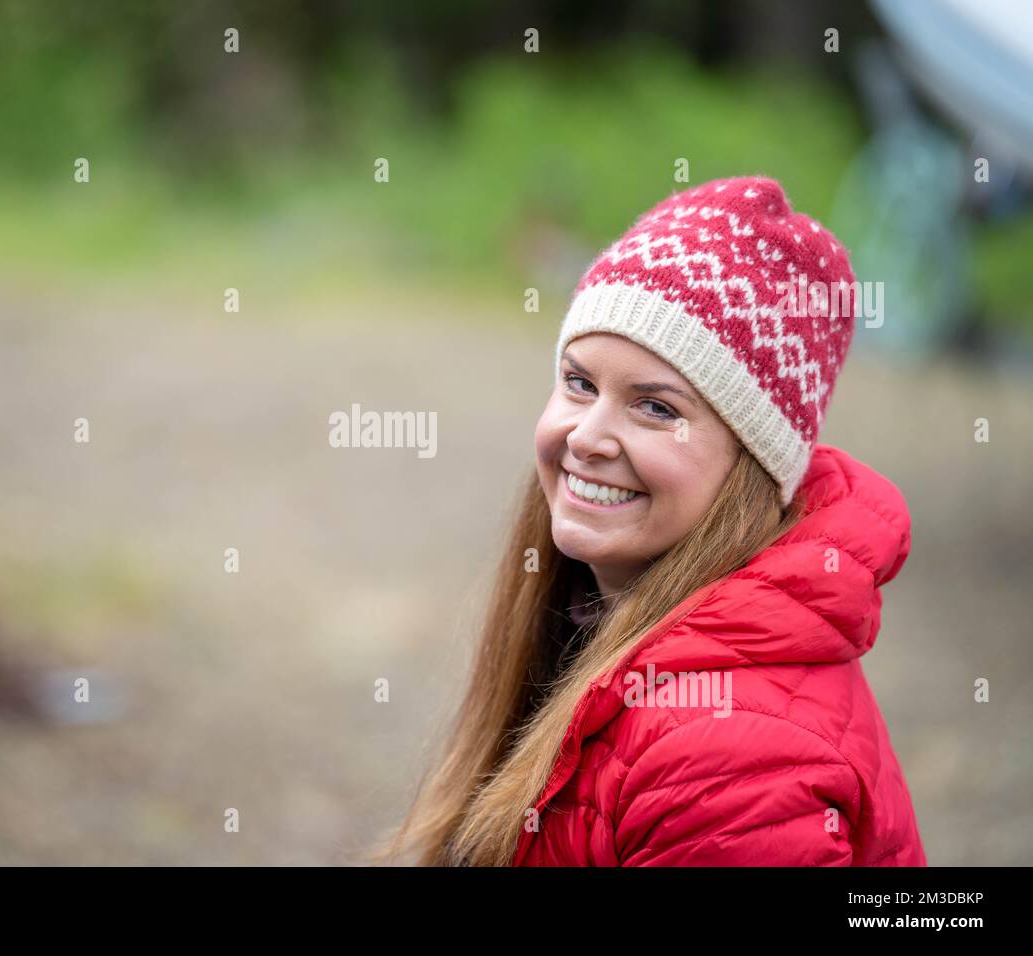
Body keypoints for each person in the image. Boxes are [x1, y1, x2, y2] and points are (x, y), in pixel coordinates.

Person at [370, 175, 927, 866]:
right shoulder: (584, 620)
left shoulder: (730, 766)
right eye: (580, 383)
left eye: (656, 408)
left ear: (751, 464)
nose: (587, 437)